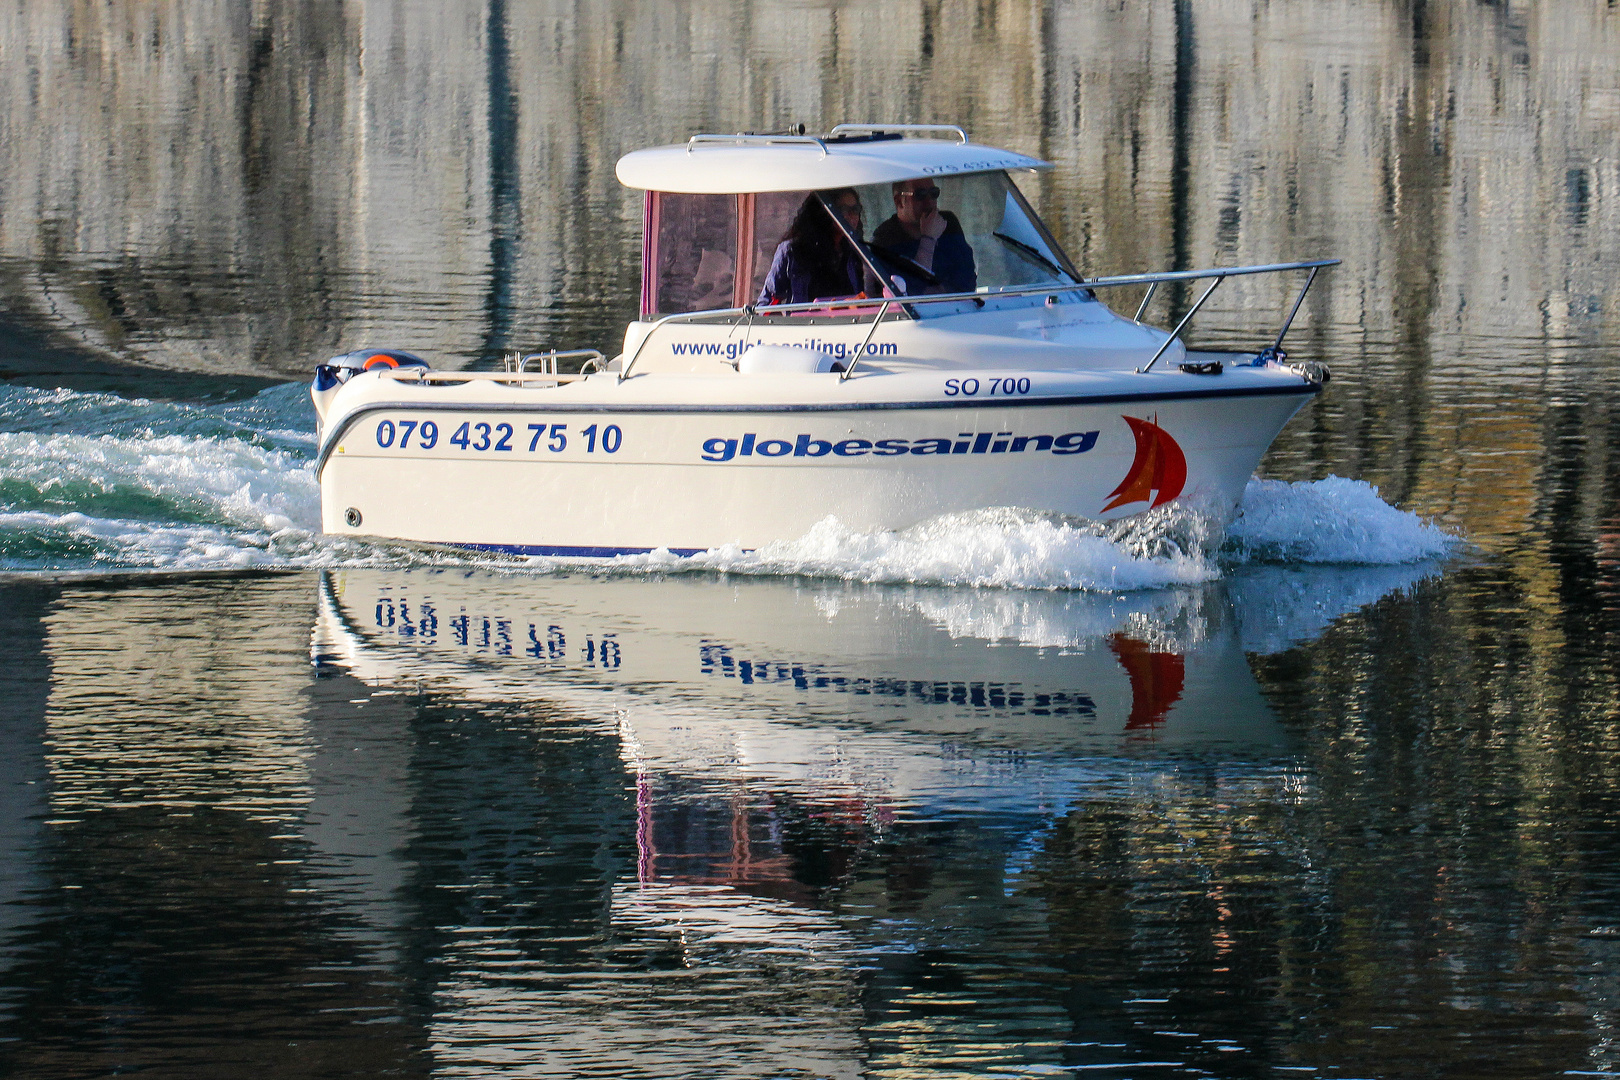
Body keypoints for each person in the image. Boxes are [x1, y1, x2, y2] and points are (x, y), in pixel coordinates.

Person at [756, 189, 867, 306]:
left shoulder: (854, 251)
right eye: (844, 209)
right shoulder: (793, 250)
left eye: (856, 209)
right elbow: (767, 304)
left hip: (850, 323)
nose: (852, 215)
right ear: (824, 212)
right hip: (808, 323)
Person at [872, 179, 976, 294]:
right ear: (899, 201)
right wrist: (928, 239)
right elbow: (911, 292)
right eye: (920, 195)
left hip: (957, 307)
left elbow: (968, 278)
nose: (929, 202)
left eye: (934, 193)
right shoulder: (883, 241)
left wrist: (942, 291)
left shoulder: (948, 223)